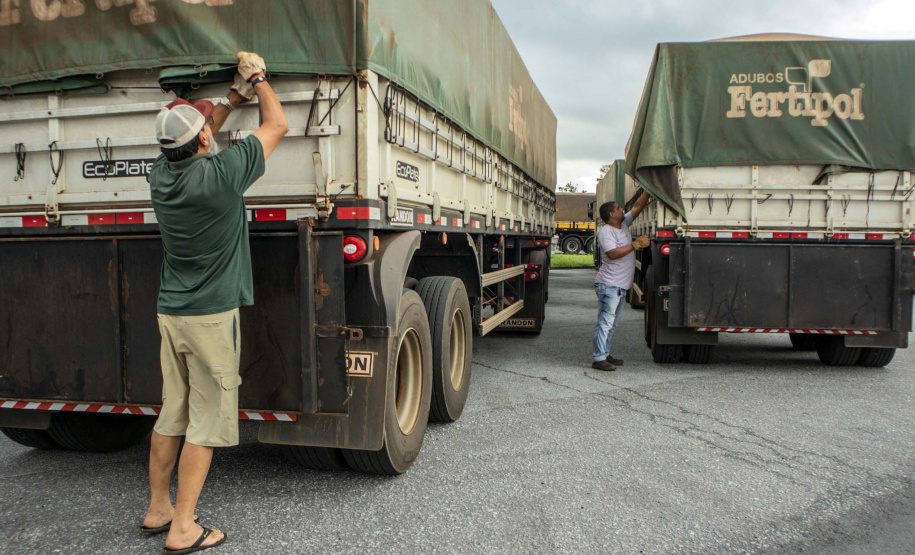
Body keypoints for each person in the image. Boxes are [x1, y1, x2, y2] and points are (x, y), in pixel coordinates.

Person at [141, 51, 288, 554]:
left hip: (171, 314)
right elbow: (279, 124)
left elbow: (195, 134)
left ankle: (159, 507)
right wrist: (259, 79)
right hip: (210, 317)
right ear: (203, 140)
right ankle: (183, 528)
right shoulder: (223, 175)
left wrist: (231, 98)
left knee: (172, 414)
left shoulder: (161, 177)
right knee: (205, 421)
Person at [591, 192, 650, 371]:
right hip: (609, 285)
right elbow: (612, 254)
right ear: (611, 214)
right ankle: (599, 358)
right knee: (605, 322)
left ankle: (605, 353)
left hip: (618, 285)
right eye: (618, 208)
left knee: (612, 323)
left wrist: (647, 190)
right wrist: (634, 245)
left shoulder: (623, 224)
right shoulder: (606, 232)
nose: (621, 209)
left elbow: (637, 207)